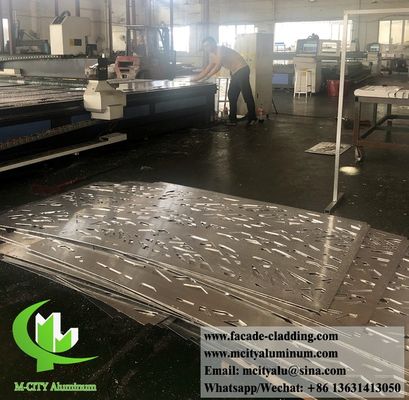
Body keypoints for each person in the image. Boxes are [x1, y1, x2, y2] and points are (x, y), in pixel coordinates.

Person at [192, 36, 257, 126]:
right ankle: (232, 119)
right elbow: (207, 69)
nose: (206, 48)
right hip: (235, 72)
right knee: (232, 94)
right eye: (205, 46)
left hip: (242, 69)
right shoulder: (211, 55)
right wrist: (193, 79)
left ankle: (253, 117)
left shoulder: (220, 49)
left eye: (207, 45)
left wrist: (208, 77)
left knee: (246, 93)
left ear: (213, 43)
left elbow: (218, 66)